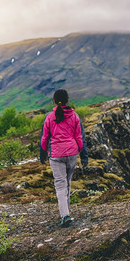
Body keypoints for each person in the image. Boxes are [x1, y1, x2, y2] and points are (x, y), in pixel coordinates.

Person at [39, 89, 88, 227]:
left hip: (56, 155)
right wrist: (83, 156)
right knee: (67, 183)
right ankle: (66, 213)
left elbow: (44, 138)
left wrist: (42, 154)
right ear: (67, 100)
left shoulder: (49, 117)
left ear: (54, 100)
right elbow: (80, 137)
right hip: (72, 153)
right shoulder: (74, 116)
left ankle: (65, 215)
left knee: (60, 185)